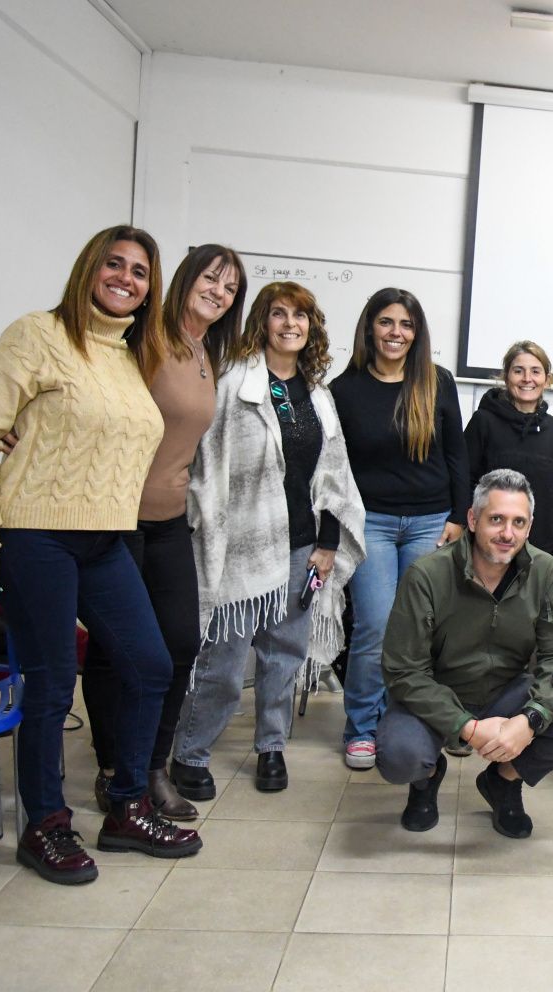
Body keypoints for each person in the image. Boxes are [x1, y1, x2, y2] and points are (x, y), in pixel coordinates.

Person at [0, 225, 200, 884]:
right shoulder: (36, 335)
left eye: (140, 272)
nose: (125, 279)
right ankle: (45, 824)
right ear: (90, 267)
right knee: (54, 683)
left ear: (150, 288)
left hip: (105, 538)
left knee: (151, 665)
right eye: (114, 264)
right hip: (36, 535)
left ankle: (127, 808)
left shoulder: (130, 355)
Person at [172, 281, 365, 798]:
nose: (290, 324)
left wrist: (327, 545)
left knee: (285, 655)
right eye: (279, 314)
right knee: (224, 660)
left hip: (302, 545)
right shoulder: (234, 385)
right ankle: (190, 751)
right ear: (263, 322)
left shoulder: (317, 394)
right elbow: (209, 464)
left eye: (300, 316)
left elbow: (333, 478)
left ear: (311, 327)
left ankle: (271, 747)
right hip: (240, 545)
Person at [79, 243, 247, 822]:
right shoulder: (144, 339)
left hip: (170, 520)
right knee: (114, 649)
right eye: (211, 279)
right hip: (117, 518)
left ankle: (153, 765)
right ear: (186, 279)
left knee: (179, 643)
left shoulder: (208, 353)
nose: (218, 292)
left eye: (230, 288)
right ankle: (112, 769)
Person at [376, 469, 553, 839]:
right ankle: (425, 779)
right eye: (496, 519)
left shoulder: (545, 571)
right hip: (436, 695)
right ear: (472, 520)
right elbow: (403, 671)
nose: (507, 533)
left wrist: (530, 719)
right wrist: (466, 727)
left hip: (506, 692)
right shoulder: (427, 575)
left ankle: (503, 780)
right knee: (399, 756)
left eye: (518, 522)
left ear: (529, 527)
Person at [330, 287, 469, 770]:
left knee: (423, 631)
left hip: (431, 522)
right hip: (370, 523)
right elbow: (334, 469)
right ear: (370, 327)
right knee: (375, 626)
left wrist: (459, 517)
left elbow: (457, 454)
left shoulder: (437, 381)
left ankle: (410, 722)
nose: (396, 332)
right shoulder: (344, 390)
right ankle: (362, 728)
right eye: (386, 322)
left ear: (417, 332)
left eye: (406, 324)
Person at [464, 340, 553, 572]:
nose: (527, 379)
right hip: (488, 550)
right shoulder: (483, 422)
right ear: (506, 377)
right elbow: (466, 482)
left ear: (547, 379)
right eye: (518, 371)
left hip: (541, 552)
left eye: (535, 371)